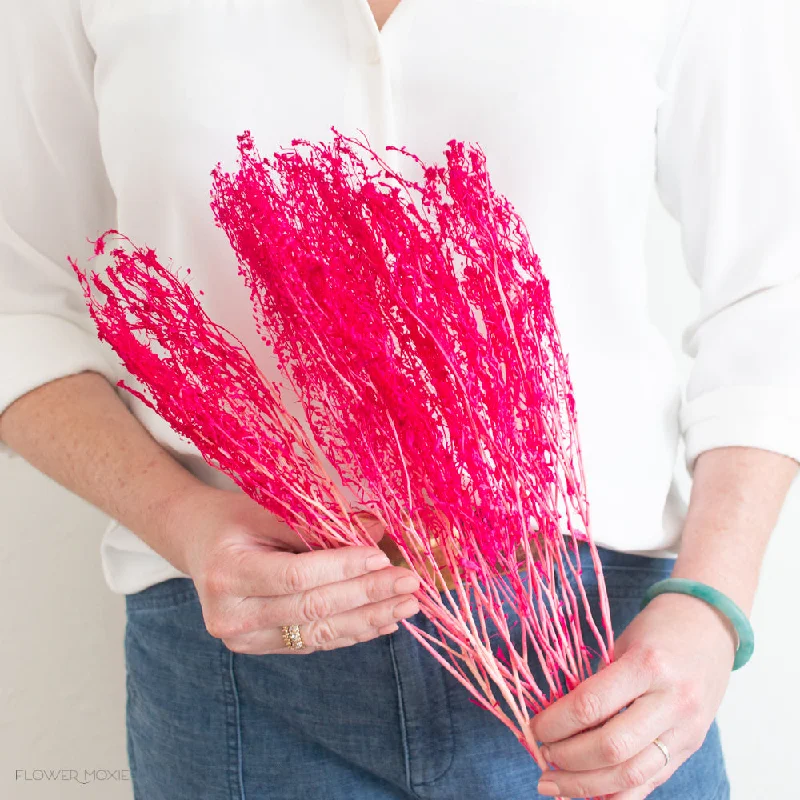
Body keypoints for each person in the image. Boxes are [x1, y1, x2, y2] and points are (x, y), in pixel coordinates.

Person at [1, 0, 798, 798]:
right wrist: (183, 520)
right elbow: (18, 300)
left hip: (606, 654)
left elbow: (771, 286)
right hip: (246, 662)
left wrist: (712, 605)